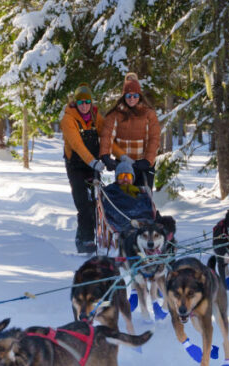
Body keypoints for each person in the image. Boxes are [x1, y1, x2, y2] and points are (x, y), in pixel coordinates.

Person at [61, 84, 106, 253]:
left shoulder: (95, 116)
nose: (84, 105)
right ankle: (85, 240)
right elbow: (77, 145)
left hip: (92, 166)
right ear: (76, 103)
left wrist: (120, 156)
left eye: (87, 102)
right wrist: (94, 162)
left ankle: (89, 236)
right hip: (76, 166)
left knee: (95, 203)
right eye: (81, 102)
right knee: (83, 203)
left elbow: (106, 137)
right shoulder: (68, 119)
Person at [99, 72, 162, 190]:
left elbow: (154, 138)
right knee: (124, 195)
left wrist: (148, 160)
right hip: (124, 166)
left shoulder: (149, 114)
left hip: (143, 164)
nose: (132, 99)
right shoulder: (115, 114)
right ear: (124, 96)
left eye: (135, 96)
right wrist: (105, 155)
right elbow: (107, 135)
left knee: (142, 197)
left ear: (140, 96)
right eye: (128, 96)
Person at [101, 157, 155, 233]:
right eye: (122, 176)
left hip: (144, 223)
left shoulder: (140, 191)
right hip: (126, 225)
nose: (125, 179)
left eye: (128, 176)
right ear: (117, 178)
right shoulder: (111, 191)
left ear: (133, 179)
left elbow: (148, 209)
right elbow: (111, 211)